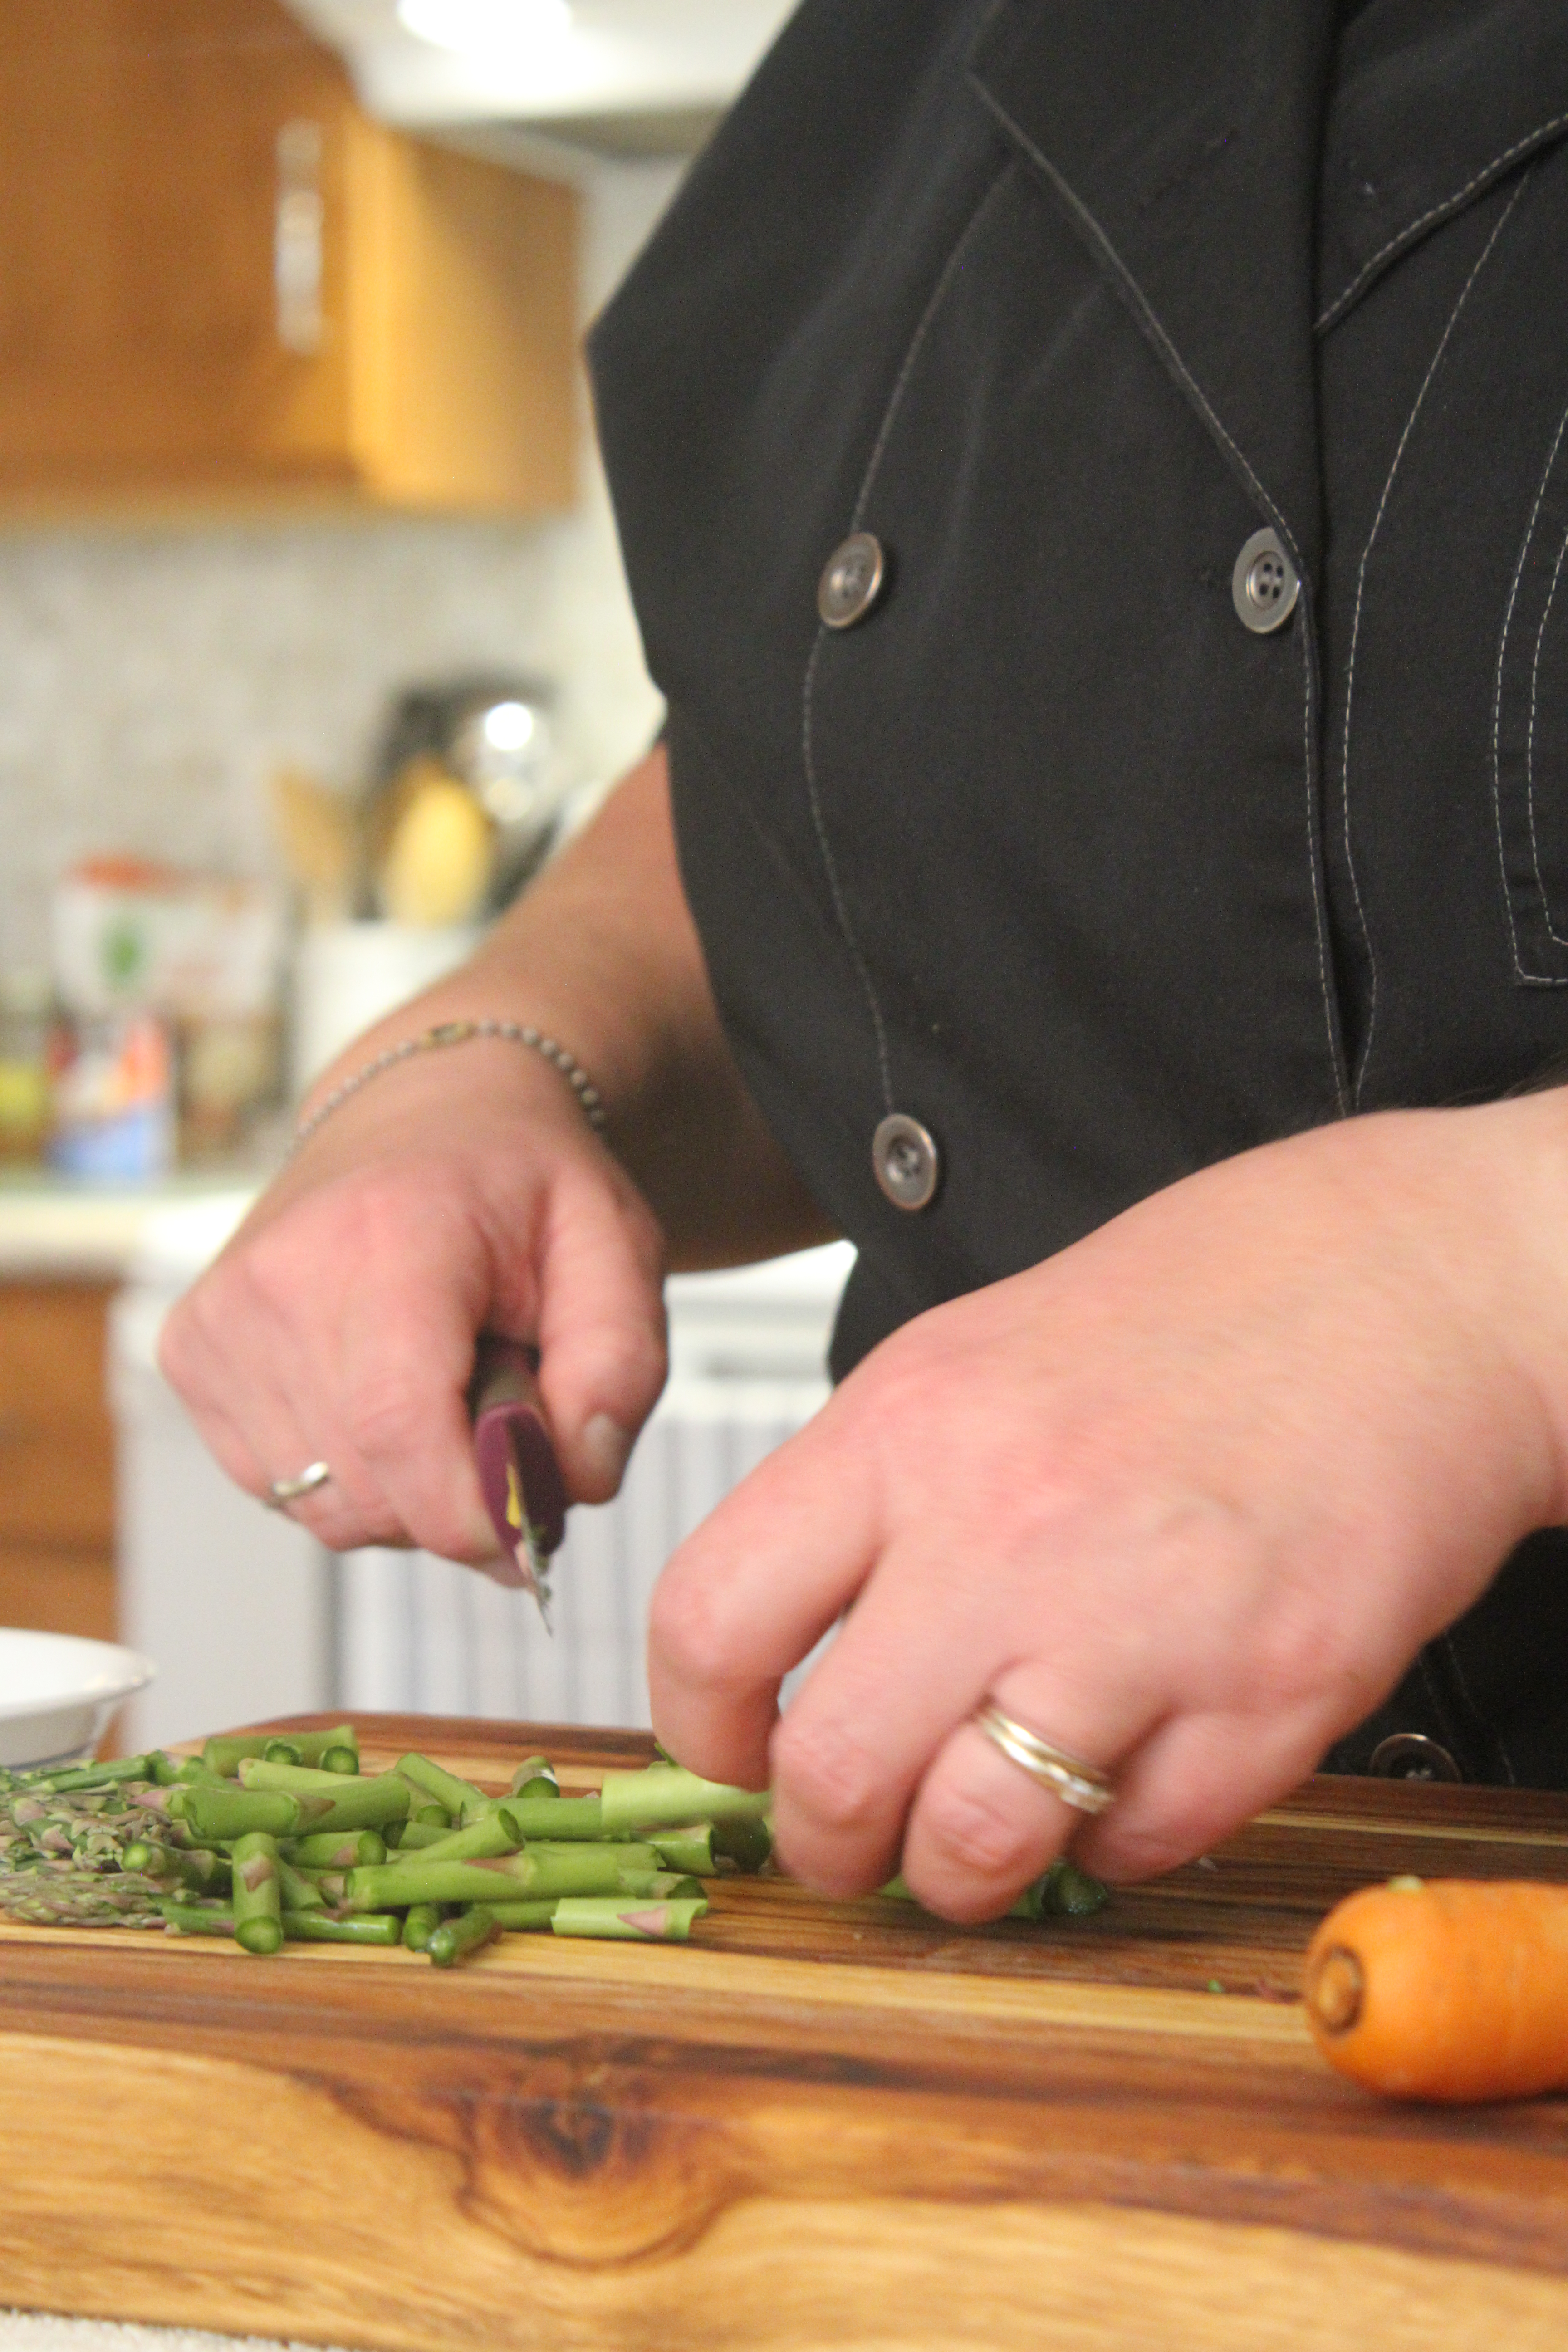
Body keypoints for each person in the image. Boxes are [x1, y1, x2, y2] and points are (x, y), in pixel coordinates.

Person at [163, 0, 1568, 1921]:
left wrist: (1484, 1285)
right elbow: (843, 819)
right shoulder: (894, 76)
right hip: (1106, 1962)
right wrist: (511, 1048)